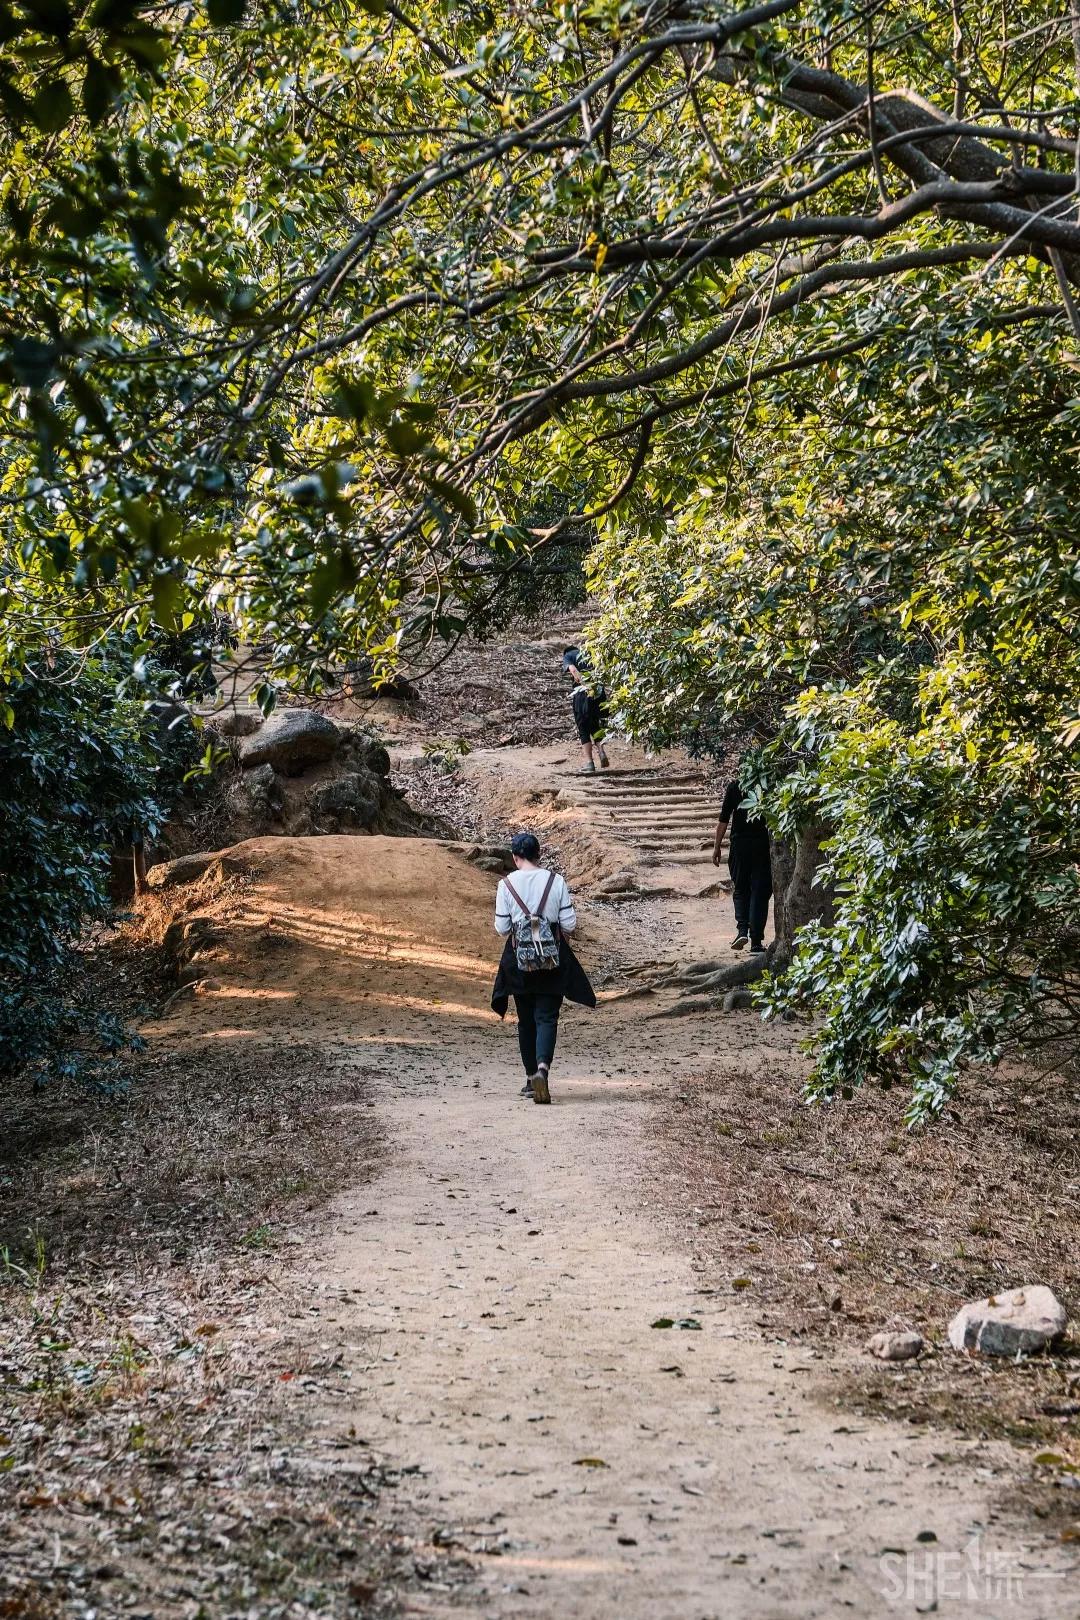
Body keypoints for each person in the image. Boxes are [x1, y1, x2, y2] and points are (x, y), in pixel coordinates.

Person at [491, 831, 596, 1104]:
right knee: (547, 1017)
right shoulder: (556, 881)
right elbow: (570, 924)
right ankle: (542, 1070)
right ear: (539, 855)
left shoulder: (506, 885)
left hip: (519, 963)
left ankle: (529, 1079)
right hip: (552, 961)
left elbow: (502, 928)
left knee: (526, 1021)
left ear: (515, 858)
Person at [713, 780, 772, 954]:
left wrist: (717, 847)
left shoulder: (734, 787)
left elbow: (723, 819)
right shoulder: (766, 785)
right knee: (759, 892)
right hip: (762, 845)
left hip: (739, 845)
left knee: (740, 889)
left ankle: (742, 931)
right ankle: (756, 942)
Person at [561, 646, 610, 774]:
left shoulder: (568, 656)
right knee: (595, 725)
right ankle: (601, 751)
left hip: (583, 694)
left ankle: (589, 763)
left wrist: (584, 685)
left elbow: (572, 669)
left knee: (583, 728)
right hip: (598, 693)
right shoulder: (590, 653)